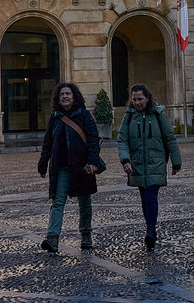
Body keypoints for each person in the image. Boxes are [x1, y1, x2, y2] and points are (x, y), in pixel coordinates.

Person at [35, 82, 104, 254]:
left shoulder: (84, 115)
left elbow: (93, 140)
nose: (65, 96)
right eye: (62, 94)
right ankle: (52, 237)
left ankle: (86, 234)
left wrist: (93, 161)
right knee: (58, 201)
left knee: (85, 202)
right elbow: (47, 143)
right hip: (62, 167)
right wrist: (43, 164)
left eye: (68, 94)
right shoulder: (55, 118)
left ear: (74, 97)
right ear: (58, 98)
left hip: (83, 166)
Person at [116, 83, 181, 251]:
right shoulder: (129, 116)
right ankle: (150, 227)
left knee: (151, 196)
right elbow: (122, 139)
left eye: (140, 99)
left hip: (156, 163)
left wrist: (176, 162)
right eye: (134, 99)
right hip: (137, 164)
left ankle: (150, 230)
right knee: (144, 198)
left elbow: (169, 138)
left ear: (147, 98)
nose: (137, 102)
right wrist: (125, 160)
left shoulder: (158, 114)